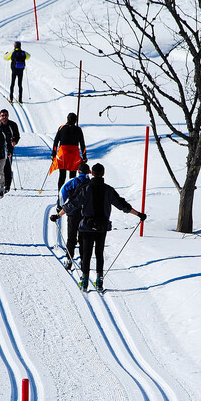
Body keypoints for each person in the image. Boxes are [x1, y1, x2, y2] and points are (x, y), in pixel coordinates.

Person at [51, 163, 146, 292]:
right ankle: (99, 280)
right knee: (99, 253)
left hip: (87, 226)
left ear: (92, 173)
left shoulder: (85, 189)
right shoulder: (108, 190)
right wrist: (139, 214)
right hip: (102, 227)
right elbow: (122, 205)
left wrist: (58, 215)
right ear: (103, 174)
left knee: (87, 253)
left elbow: (72, 204)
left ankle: (84, 281)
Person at [58, 162, 91, 270]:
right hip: (86, 214)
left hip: (72, 213)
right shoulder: (91, 184)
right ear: (89, 172)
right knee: (83, 238)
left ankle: (69, 259)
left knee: (71, 237)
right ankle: (83, 260)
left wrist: (62, 207)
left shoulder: (73, 182)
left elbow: (62, 192)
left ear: (78, 171)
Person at [50, 112, 87, 192]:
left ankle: (60, 193)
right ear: (75, 120)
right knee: (73, 176)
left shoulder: (61, 128)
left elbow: (56, 142)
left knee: (62, 175)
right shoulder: (78, 129)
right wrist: (84, 157)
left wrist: (53, 154)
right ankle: (71, 194)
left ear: (67, 119)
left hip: (63, 154)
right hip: (74, 155)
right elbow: (82, 144)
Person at [0, 108, 20, 192]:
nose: (4, 117)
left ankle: (7, 185)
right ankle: (0, 183)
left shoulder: (12, 125)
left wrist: (15, 141)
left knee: (7, 166)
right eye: (2, 115)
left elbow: (17, 135)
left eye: (6, 115)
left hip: (8, 148)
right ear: (0, 116)